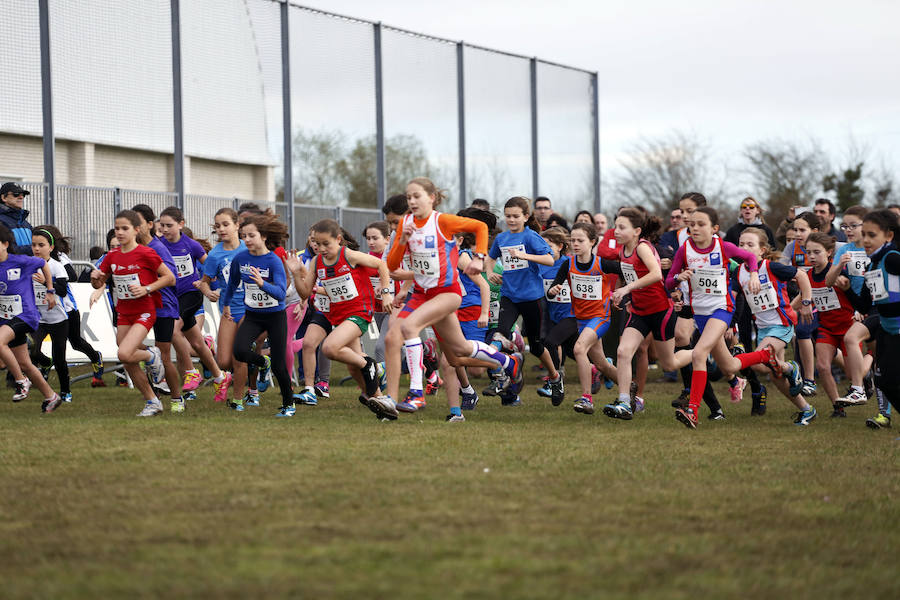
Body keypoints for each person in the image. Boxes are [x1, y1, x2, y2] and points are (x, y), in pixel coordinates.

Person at [380, 177, 523, 421]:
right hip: (422, 295)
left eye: (417, 196)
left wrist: (479, 258)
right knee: (456, 350)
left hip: (447, 293)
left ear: (431, 198)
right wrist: (403, 240)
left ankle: (416, 393)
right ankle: (508, 363)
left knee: (408, 327)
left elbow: (480, 228)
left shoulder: (442, 221)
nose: (412, 201)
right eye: (409, 197)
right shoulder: (406, 224)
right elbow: (392, 266)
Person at [665, 207, 781, 429]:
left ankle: (693, 410)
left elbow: (748, 256)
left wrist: (755, 273)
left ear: (714, 228)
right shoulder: (684, 250)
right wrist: (678, 277)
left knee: (699, 353)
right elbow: (668, 282)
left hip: (721, 308)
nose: (695, 228)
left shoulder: (722, 246)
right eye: (692, 224)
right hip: (700, 313)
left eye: (701, 224)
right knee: (729, 364)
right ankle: (764, 355)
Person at [292, 219, 389, 413]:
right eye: (317, 244)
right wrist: (296, 273)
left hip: (359, 312)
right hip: (338, 315)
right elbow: (305, 293)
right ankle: (382, 402)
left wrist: (385, 292)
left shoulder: (349, 255)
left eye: (326, 244)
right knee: (352, 366)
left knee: (329, 347)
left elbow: (381, 265)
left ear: (338, 239)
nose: (321, 248)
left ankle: (370, 365)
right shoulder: (317, 262)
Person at [604, 209, 693, 420]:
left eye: (621, 227)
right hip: (639, 311)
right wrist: (623, 295)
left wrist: (626, 289)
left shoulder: (643, 247)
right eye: (615, 226)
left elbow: (655, 274)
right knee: (623, 352)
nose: (616, 231)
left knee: (669, 363)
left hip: (661, 311)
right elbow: (628, 276)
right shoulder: (622, 250)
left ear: (636, 231)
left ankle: (703, 352)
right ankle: (625, 402)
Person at [91, 210, 176, 417]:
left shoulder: (146, 253)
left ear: (137, 230)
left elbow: (170, 278)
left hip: (145, 311)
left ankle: (150, 354)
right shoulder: (111, 256)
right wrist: (96, 278)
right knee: (128, 359)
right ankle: (152, 401)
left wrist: (147, 288)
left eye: (124, 228)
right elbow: (99, 282)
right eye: (117, 228)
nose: (119, 232)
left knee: (124, 353)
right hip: (124, 312)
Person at [485, 196, 563, 404]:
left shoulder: (531, 237)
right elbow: (490, 257)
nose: (511, 220)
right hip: (509, 296)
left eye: (515, 216)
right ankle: (501, 377)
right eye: (508, 216)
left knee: (537, 347)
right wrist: (490, 271)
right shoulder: (502, 239)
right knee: (497, 335)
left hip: (532, 298)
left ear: (525, 217)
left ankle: (555, 378)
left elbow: (550, 258)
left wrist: (525, 256)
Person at [735, 227, 816, 422]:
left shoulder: (771, 267)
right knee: (774, 375)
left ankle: (791, 368)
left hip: (782, 324)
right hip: (763, 328)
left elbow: (802, 276)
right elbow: (733, 297)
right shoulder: (738, 272)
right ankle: (806, 409)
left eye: (750, 244)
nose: (744, 248)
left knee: (758, 362)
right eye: (741, 244)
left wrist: (806, 302)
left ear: (762, 250)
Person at [221, 213, 295, 417]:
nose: (246, 240)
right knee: (239, 351)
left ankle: (289, 405)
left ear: (263, 236)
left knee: (280, 366)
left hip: (274, 316)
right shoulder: (241, 258)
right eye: (244, 236)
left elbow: (281, 293)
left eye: (251, 235)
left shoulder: (273, 261)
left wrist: (262, 283)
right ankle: (263, 362)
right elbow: (232, 283)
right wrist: (226, 305)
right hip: (253, 315)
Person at [157, 206, 230, 398]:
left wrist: (213, 284)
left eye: (169, 225)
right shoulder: (159, 245)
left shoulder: (191, 245)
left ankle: (191, 372)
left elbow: (211, 267)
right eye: (162, 225)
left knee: (174, 331)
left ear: (181, 224)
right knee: (197, 343)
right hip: (172, 298)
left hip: (191, 294)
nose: (164, 229)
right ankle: (220, 377)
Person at [545, 223, 618, 414]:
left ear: (592, 242)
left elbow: (627, 271)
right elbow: (554, 289)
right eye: (573, 240)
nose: (575, 244)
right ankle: (630, 390)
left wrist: (624, 292)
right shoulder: (567, 264)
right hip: (581, 320)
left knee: (579, 349)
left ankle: (586, 399)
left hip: (600, 317)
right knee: (601, 363)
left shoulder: (602, 263)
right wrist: (553, 290)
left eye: (580, 240)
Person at [842, 210, 900, 422]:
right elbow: (864, 306)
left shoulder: (892, 258)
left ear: (889, 236)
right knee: (884, 382)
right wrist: (848, 289)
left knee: (892, 381)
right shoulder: (872, 265)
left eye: (872, 235)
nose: (865, 240)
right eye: (864, 234)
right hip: (887, 330)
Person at [0, 224, 61, 411]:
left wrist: (50, 290)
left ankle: (20, 381)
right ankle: (51, 396)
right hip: (6, 319)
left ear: (5, 244)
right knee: (25, 363)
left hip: (25, 315)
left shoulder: (20, 261)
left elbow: (43, 263)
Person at [196, 207, 250, 408]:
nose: (221, 229)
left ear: (237, 225)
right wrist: (208, 291)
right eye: (217, 226)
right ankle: (258, 363)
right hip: (227, 311)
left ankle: (238, 400)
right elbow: (204, 281)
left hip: (250, 309)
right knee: (224, 361)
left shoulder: (249, 248)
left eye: (226, 224)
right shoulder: (215, 255)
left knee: (239, 355)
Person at [828, 206, 876, 410]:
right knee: (854, 360)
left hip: (875, 306)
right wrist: (839, 267)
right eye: (844, 226)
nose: (847, 230)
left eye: (853, 225)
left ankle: (864, 386)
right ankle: (860, 386)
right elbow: (829, 281)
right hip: (854, 306)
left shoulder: (874, 249)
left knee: (873, 351)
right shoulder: (844, 250)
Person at [804, 232, 856, 418]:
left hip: (848, 327)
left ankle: (866, 374)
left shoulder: (837, 273)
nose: (811, 256)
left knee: (852, 374)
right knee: (823, 366)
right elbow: (800, 297)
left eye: (816, 252)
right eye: (808, 252)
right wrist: (792, 311)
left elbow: (854, 296)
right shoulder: (808, 275)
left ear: (829, 252)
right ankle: (837, 406)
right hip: (826, 327)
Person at [780, 211, 821, 395]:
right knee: (804, 333)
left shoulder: (827, 245)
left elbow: (849, 249)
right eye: (795, 229)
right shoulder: (791, 248)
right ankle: (807, 379)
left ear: (815, 230)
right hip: (803, 297)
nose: (797, 234)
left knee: (823, 342)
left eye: (802, 230)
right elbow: (781, 270)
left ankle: (809, 379)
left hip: (822, 299)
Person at [0, 182, 34, 255]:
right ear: (3, 198)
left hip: (29, 265)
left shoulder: (25, 223)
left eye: (23, 195)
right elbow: (8, 250)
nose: (21, 197)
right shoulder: (1, 221)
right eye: (16, 194)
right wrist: (35, 248)